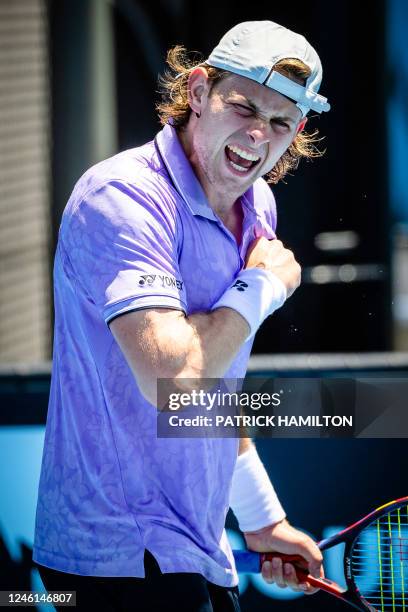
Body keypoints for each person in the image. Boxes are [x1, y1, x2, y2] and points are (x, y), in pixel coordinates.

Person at [33, 20, 331, 612]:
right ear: (197, 92)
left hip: (192, 546)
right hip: (114, 560)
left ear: (297, 131)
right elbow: (178, 385)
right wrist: (262, 287)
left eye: (279, 122)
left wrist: (261, 517)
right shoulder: (119, 197)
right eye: (243, 106)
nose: (257, 135)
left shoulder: (258, 201)